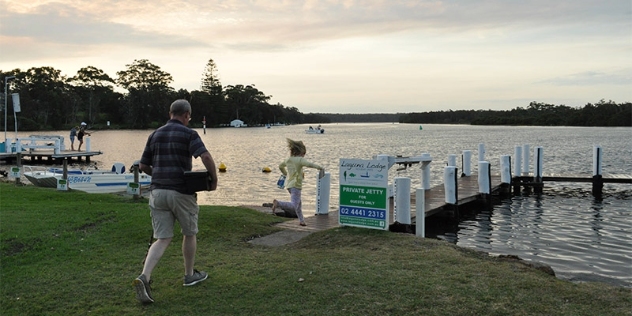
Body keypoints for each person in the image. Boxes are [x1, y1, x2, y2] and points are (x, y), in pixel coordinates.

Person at [133, 99, 218, 304]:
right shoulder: (189, 134)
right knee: (189, 233)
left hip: (158, 192)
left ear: (170, 113)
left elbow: (143, 165)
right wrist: (213, 179)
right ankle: (189, 275)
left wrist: (158, 173)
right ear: (187, 115)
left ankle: (145, 276)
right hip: (181, 191)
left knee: (162, 238)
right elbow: (205, 156)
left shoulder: (155, 134)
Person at [272, 138, 324, 226]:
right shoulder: (300, 160)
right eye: (304, 153)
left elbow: (280, 166)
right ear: (300, 152)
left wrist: (285, 173)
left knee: (298, 205)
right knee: (294, 206)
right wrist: (320, 167)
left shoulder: (288, 159)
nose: (304, 155)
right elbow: (309, 164)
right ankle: (278, 203)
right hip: (296, 185)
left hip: (289, 185)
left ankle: (302, 221)